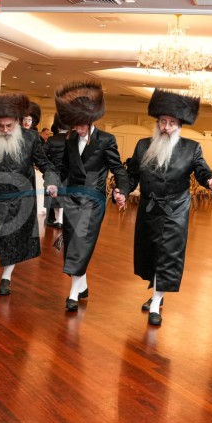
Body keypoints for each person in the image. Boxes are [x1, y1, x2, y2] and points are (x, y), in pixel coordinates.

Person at [124, 89, 212, 325]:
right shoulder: (142, 145)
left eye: (171, 123)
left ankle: (156, 303)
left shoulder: (191, 147)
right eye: (162, 122)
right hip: (148, 209)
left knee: (168, 255)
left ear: (179, 126)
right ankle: (156, 292)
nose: (165, 127)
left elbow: (202, 171)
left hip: (175, 210)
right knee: (150, 254)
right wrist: (122, 190)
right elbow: (132, 175)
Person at [0, 93, 59, 300]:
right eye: (1, 126)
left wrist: (51, 181)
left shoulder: (31, 137)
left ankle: (6, 278)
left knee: (13, 241)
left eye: (9, 126)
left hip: (20, 199)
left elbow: (45, 164)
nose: (5, 130)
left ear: (17, 121)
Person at [53, 81, 129, 311]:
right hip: (72, 199)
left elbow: (118, 169)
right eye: (74, 125)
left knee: (81, 244)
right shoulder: (69, 140)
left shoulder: (106, 140)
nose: (78, 129)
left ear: (91, 120)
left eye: (81, 124)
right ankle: (82, 286)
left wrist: (122, 190)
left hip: (93, 201)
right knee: (72, 245)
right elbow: (64, 168)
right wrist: (55, 184)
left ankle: (73, 295)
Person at [43, 115, 68, 229]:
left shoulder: (51, 139)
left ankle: (51, 219)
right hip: (67, 172)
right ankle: (61, 220)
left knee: (52, 196)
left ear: (58, 127)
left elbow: (43, 154)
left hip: (53, 171)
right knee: (64, 196)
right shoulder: (72, 140)